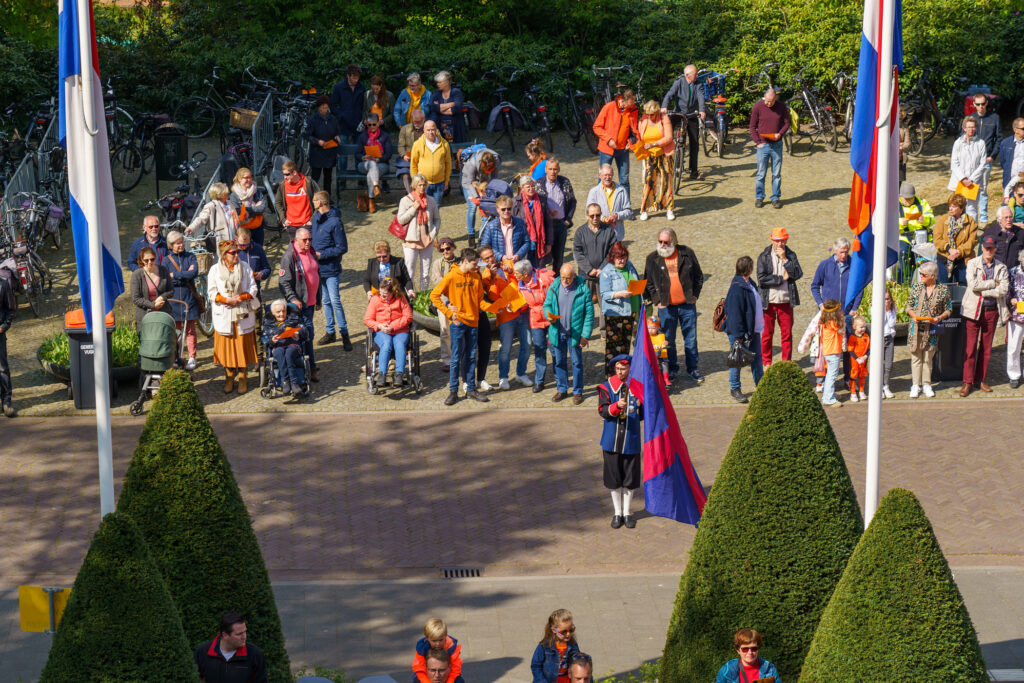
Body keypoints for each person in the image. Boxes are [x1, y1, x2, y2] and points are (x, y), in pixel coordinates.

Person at [431, 247, 493, 404]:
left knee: (472, 356)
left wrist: (495, 307)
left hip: (473, 322)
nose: (477, 266)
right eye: (474, 263)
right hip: (458, 323)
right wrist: (448, 312)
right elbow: (434, 295)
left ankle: (471, 389)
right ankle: (453, 391)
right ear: (465, 261)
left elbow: (480, 301)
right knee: (456, 357)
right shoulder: (451, 276)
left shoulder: (476, 277)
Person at [643, 228, 704, 384]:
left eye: (666, 242)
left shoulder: (687, 253)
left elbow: (698, 276)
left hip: (687, 305)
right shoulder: (652, 259)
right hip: (666, 307)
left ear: (674, 242)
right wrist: (657, 301)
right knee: (668, 339)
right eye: (660, 241)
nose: (662, 245)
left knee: (690, 338)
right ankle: (671, 369)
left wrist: (695, 294)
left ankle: (692, 368)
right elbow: (648, 283)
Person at [597, 354, 643, 528]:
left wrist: (640, 404)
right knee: (614, 478)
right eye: (617, 369)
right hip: (611, 440)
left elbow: (644, 414)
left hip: (631, 439)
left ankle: (627, 512)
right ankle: (617, 513)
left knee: (630, 479)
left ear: (630, 368)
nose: (620, 372)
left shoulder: (638, 387)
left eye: (623, 369)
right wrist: (616, 407)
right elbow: (602, 410)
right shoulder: (606, 387)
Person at [960, 234, 1009, 396]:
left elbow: (1003, 289)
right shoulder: (972, 263)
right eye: (986, 247)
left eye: (991, 248)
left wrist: (984, 290)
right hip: (973, 311)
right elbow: (972, 285)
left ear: (995, 249)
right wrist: (991, 284)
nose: (989, 250)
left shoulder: (1001, 267)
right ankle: (967, 381)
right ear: (981, 248)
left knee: (986, 348)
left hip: (991, 311)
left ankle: (980, 379)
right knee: (971, 347)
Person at [209, 240, 259, 393]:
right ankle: (229, 377)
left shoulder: (245, 267)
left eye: (238, 252)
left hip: (242, 314)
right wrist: (226, 300)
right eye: (233, 253)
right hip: (224, 315)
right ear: (224, 255)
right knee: (227, 350)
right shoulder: (215, 270)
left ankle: (243, 377)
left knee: (242, 348)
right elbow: (211, 292)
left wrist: (240, 298)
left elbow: (253, 287)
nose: (237, 255)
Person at [810, 237, 862, 382]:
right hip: (828, 315)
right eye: (841, 252)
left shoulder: (854, 265)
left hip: (847, 313)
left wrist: (854, 308)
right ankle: (824, 379)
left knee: (847, 348)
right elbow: (815, 286)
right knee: (827, 347)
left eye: (846, 252)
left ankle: (848, 378)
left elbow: (860, 288)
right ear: (835, 250)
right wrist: (821, 304)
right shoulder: (825, 265)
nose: (844, 255)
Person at [543, 263, 594, 404]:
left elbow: (589, 314)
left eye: (568, 278)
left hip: (575, 333)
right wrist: (548, 316)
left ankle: (577, 391)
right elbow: (546, 304)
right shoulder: (554, 286)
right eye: (563, 277)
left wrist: (585, 335)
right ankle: (562, 389)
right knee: (559, 362)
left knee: (577, 363)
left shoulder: (583, 289)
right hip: (557, 331)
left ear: (574, 276)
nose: (565, 281)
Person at [480, 246, 529, 390]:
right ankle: (503, 377)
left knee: (526, 345)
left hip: (521, 309)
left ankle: (521, 373)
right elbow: (492, 297)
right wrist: (494, 279)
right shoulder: (486, 277)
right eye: (486, 258)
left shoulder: (509, 264)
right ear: (482, 262)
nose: (491, 259)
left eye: (491, 256)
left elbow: (522, 281)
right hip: (506, 315)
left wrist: (511, 272)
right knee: (506, 348)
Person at [279, 228, 322, 383]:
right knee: (307, 334)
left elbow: (316, 275)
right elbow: (283, 282)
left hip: (310, 303)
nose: (308, 242)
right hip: (299, 305)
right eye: (305, 240)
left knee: (307, 335)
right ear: (296, 240)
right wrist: (293, 298)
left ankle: (307, 365)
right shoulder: (289, 256)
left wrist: (318, 298)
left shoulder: (310, 251)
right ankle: (310, 368)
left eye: (310, 239)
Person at [755, 227, 802, 367]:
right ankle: (766, 362)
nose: (780, 244)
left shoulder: (791, 255)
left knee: (787, 334)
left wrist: (785, 259)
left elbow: (797, 274)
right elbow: (761, 279)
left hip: (786, 301)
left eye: (782, 241)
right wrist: (781, 279)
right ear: (772, 240)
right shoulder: (764, 256)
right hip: (768, 302)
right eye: (777, 241)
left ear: (786, 240)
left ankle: (786, 362)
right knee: (767, 335)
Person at [311, 191, 351, 350]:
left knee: (335, 301)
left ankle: (344, 333)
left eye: (314, 200)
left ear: (320, 202)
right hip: (318, 268)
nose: (312, 202)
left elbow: (342, 247)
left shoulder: (335, 222)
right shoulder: (316, 218)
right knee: (325, 301)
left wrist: (322, 255)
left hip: (331, 268)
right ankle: (330, 331)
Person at [905, 261, 951, 399]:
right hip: (916, 328)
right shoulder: (917, 287)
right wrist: (913, 316)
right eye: (920, 274)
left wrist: (940, 317)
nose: (921, 276)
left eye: (923, 274)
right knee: (916, 357)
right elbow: (908, 306)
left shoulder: (943, 290)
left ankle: (926, 384)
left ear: (932, 275)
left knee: (927, 358)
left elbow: (948, 309)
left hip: (931, 329)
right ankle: (915, 385)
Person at [723, 256, 764, 403]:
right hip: (741, 333)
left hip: (753, 330)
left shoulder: (748, 283)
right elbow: (734, 314)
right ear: (750, 269)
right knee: (737, 360)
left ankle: (762, 386)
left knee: (757, 359)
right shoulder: (737, 288)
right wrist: (739, 336)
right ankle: (735, 388)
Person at [599, 242, 640, 372]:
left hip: (631, 311)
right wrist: (619, 294)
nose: (622, 260)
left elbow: (636, 281)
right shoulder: (607, 272)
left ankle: (624, 373)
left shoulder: (630, 266)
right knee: (613, 347)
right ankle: (612, 375)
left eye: (623, 257)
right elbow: (604, 294)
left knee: (625, 345)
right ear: (612, 257)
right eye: (618, 257)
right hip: (615, 313)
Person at [515, 259, 555, 392]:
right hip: (535, 320)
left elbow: (556, 296)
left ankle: (559, 376)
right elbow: (524, 304)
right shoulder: (520, 285)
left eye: (517, 273)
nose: (515, 275)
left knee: (555, 348)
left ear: (525, 274)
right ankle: (540, 381)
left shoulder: (545, 278)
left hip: (551, 317)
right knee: (539, 350)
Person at [364, 277, 413, 387]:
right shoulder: (375, 299)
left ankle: (399, 373)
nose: (382, 296)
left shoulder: (401, 298)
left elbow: (408, 317)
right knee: (386, 344)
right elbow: (367, 319)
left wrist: (393, 326)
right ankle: (382, 373)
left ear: (393, 292)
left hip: (400, 330)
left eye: (385, 294)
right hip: (381, 331)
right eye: (381, 293)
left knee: (399, 344)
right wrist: (380, 325)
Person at [195, 611, 268, 683]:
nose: (244, 637)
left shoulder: (255, 654)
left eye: (245, 631)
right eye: (239, 634)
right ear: (225, 635)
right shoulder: (202, 652)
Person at [661, 64, 706, 181]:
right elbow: (669, 94)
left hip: (691, 115)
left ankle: (694, 171)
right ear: (687, 75)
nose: (697, 76)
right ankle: (667, 163)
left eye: (697, 74)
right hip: (679, 114)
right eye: (695, 74)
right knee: (667, 135)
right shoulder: (679, 82)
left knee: (694, 143)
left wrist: (701, 110)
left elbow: (701, 97)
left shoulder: (699, 84)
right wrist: (664, 106)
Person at [592, 89, 638, 201]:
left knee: (624, 180)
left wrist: (631, 142)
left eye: (632, 104)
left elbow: (635, 130)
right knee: (603, 178)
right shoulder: (609, 107)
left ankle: (626, 207)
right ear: (622, 100)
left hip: (623, 149)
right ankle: (600, 205)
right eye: (629, 104)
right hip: (606, 149)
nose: (631, 106)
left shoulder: (633, 109)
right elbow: (596, 127)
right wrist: (608, 139)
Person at [163, 230, 200, 370]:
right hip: (173, 300)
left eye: (182, 242)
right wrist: (184, 275)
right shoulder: (166, 260)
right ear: (171, 245)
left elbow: (193, 273)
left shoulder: (190, 256)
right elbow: (166, 278)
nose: (182, 245)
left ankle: (192, 357)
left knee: (190, 330)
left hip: (189, 297)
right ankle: (177, 357)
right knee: (176, 331)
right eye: (178, 243)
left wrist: (176, 275)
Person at [573, 203, 617, 317]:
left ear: (601, 214)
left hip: (604, 275)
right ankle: (584, 332)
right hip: (585, 276)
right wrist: (589, 269)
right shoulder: (580, 232)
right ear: (587, 215)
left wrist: (602, 269)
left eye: (597, 215)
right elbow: (577, 253)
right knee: (583, 305)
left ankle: (605, 332)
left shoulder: (609, 231)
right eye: (592, 215)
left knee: (605, 304)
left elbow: (612, 252)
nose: (595, 218)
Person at [399, 174, 441, 291]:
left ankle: (424, 295)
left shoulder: (431, 201)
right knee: (410, 272)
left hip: (427, 241)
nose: (422, 188)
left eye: (424, 185)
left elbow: (437, 219)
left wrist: (433, 233)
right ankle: (409, 296)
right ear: (414, 186)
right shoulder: (405, 200)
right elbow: (401, 219)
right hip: (411, 241)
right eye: (419, 185)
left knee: (425, 273)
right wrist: (413, 209)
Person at [749, 87, 790, 209]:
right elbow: (752, 126)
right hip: (763, 145)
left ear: (775, 99)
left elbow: (787, 123)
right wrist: (757, 142)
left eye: (771, 101)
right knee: (761, 174)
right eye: (767, 101)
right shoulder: (758, 106)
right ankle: (759, 197)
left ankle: (775, 198)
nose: (768, 103)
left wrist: (780, 133)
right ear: (764, 97)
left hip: (777, 145)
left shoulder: (781, 107)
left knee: (776, 173)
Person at [636, 100, 675, 221]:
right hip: (649, 156)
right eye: (647, 114)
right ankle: (645, 209)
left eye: (651, 115)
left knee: (666, 181)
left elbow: (669, 137)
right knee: (648, 181)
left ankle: (669, 209)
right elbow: (639, 136)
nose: (649, 117)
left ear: (657, 112)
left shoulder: (664, 119)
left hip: (664, 154)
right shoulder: (643, 120)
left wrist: (654, 144)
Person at [235, 227, 271, 355]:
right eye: (241, 245)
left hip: (254, 295)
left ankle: (259, 357)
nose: (243, 247)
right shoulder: (233, 252)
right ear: (235, 240)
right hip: (237, 296)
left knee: (257, 327)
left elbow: (267, 268)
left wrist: (262, 274)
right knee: (239, 328)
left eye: (246, 244)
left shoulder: (257, 249)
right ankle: (242, 356)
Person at [264, 299, 309, 397]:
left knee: (289, 354)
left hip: (293, 345)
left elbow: (305, 330)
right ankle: (285, 381)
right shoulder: (269, 323)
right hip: (278, 346)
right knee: (280, 353)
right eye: (278, 312)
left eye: (283, 311)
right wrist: (272, 340)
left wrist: (298, 333)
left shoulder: (294, 319)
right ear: (273, 313)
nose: (281, 314)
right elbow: (265, 338)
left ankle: (294, 382)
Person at [331, 64, 366, 186]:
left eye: (357, 78)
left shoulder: (361, 87)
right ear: (348, 76)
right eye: (354, 78)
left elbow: (364, 105)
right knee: (343, 155)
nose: (356, 80)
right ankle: (342, 181)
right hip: (343, 125)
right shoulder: (339, 87)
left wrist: (363, 119)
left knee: (360, 152)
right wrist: (341, 116)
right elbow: (333, 106)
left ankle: (361, 179)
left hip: (358, 125)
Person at [932, 193, 977, 285]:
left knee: (962, 286)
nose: (950, 208)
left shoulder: (970, 222)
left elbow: (971, 242)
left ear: (961, 208)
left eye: (954, 206)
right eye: (950, 206)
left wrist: (958, 252)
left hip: (963, 259)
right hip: (944, 258)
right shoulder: (943, 220)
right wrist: (949, 249)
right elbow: (937, 239)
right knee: (944, 287)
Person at [948, 115, 987, 221]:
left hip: (973, 183)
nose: (971, 129)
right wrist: (963, 178)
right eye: (969, 127)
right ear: (964, 128)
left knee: (972, 209)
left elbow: (983, 164)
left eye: (973, 127)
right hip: (959, 182)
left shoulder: (981, 143)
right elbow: (954, 163)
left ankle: (972, 233)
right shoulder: (958, 143)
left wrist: (971, 179)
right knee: (957, 208)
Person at [460, 147, 501, 246]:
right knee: (472, 206)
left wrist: (492, 193)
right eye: (487, 168)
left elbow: (494, 179)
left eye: (491, 168)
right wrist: (476, 197)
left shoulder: (496, 160)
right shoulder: (471, 164)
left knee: (486, 208)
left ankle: (483, 237)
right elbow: (469, 182)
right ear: (482, 164)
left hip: (483, 182)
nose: (489, 170)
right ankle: (471, 235)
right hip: (469, 183)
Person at [430, 237, 459, 371]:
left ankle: (460, 356)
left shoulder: (460, 262)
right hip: (442, 302)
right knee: (444, 331)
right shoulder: (437, 263)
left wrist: (445, 280)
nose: (445, 251)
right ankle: (447, 360)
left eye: (447, 248)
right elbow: (436, 282)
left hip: (459, 302)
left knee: (460, 331)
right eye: (442, 249)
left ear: (453, 247)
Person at [542, 157, 576, 272]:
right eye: (550, 169)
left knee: (559, 257)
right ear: (546, 169)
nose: (553, 172)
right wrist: (547, 211)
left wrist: (568, 219)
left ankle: (557, 282)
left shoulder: (565, 182)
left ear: (559, 170)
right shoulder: (539, 184)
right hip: (546, 226)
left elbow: (572, 201)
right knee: (545, 257)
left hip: (561, 224)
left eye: (555, 169)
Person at [897, 182, 935, 280]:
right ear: (900, 196)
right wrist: (901, 222)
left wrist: (924, 220)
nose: (908, 202)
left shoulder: (922, 203)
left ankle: (926, 279)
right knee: (903, 252)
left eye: (911, 199)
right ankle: (907, 278)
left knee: (927, 256)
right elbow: (890, 224)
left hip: (922, 236)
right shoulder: (894, 205)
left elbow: (932, 219)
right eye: (906, 199)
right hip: (904, 237)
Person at [531, 609, 581, 683]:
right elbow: (536, 666)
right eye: (564, 631)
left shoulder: (572, 645)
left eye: (571, 630)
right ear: (554, 630)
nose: (568, 634)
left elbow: (580, 663)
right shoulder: (544, 646)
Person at [585, 164, 633, 242]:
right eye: (605, 175)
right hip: (599, 234)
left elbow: (629, 211)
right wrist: (603, 219)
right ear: (599, 175)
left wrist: (617, 216)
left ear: (613, 175)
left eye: (610, 175)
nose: (608, 178)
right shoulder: (594, 192)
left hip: (617, 234)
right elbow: (587, 213)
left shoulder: (621, 190)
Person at [305, 95, 342, 193]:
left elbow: (337, 131)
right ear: (318, 108)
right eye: (322, 108)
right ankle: (312, 196)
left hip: (329, 152)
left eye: (326, 107)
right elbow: (308, 135)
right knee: (315, 177)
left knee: (328, 177)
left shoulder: (332, 118)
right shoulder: (313, 119)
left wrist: (337, 136)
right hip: (317, 152)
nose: (325, 110)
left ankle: (327, 197)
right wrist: (318, 141)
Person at [409, 120, 451, 208]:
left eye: (433, 129)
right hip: (423, 184)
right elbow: (413, 164)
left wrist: (446, 181)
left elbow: (448, 164)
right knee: (423, 208)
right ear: (424, 130)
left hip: (439, 183)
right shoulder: (417, 144)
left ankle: (433, 222)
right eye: (428, 130)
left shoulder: (444, 144)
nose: (431, 132)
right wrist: (415, 182)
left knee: (436, 208)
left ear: (436, 130)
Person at [513, 176, 553, 267]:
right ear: (522, 188)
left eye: (533, 186)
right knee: (525, 269)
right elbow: (512, 223)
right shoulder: (516, 202)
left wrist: (549, 243)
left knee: (539, 269)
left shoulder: (542, 200)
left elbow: (548, 223)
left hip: (539, 242)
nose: (531, 189)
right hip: (523, 243)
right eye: (528, 187)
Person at [129, 246, 172, 330]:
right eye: (146, 260)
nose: (150, 262)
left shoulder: (163, 270)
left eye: (152, 259)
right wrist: (153, 305)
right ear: (141, 260)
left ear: (155, 258)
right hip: (145, 317)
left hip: (163, 314)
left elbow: (171, 290)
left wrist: (162, 297)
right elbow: (136, 298)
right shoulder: (137, 275)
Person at [714, 628, 780, 683]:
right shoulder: (727, 670)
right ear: (738, 650)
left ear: (758, 649)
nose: (750, 652)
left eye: (754, 648)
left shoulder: (770, 669)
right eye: (745, 649)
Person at [973, 94, 1000, 224]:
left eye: (983, 104)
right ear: (974, 104)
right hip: (972, 161)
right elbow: (962, 137)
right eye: (978, 104)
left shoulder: (994, 118)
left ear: (987, 103)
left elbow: (998, 138)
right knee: (971, 189)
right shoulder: (970, 118)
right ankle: (972, 217)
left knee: (983, 189)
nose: (981, 107)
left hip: (986, 160)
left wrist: (992, 156)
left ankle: (983, 218)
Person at [274, 161, 319, 239]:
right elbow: (278, 202)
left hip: (307, 224)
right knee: (295, 249)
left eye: (287, 174)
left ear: (294, 172)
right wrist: (283, 219)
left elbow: (320, 200)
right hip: (291, 225)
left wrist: (312, 219)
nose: (285, 177)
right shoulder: (283, 185)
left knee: (308, 248)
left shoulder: (308, 182)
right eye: (283, 174)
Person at [412, 618, 463, 683]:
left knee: (459, 680)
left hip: (448, 675)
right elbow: (419, 669)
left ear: (445, 636)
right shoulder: (422, 649)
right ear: (427, 638)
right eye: (434, 641)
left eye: (441, 640)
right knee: (416, 679)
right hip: (425, 676)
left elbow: (455, 669)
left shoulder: (452, 647)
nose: (438, 644)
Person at [355, 112, 393, 202]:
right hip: (364, 164)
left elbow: (388, 154)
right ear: (366, 124)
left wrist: (378, 159)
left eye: (374, 124)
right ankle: (376, 186)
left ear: (378, 123)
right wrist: (363, 157)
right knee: (371, 164)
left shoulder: (385, 136)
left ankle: (371, 200)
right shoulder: (362, 136)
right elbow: (357, 154)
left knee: (370, 173)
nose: (372, 126)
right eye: (369, 125)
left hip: (381, 164)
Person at [481, 194, 529, 262]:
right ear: (497, 210)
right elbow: (485, 246)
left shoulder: (520, 223)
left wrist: (518, 255)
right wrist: (500, 257)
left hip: (517, 263)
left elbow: (526, 242)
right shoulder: (490, 226)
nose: (506, 211)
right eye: (503, 209)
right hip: (499, 264)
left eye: (509, 209)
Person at [229, 167, 267, 246]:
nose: (249, 180)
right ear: (239, 179)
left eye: (250, 177)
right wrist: (255, 207)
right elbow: (239, 213)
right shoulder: (234, 195)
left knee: (258, 249)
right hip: (243, 229)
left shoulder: (256, 191)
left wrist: (246, 210)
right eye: (246, 178)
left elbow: (262, 208)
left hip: (258, 227)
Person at [818, 298, 845, 406]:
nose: (840, 311)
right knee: (831, 376)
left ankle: (829, 395)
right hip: (833, 352)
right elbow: (842, 330)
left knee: (830, 375)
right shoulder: (834, 323)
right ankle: (828, 399)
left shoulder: (825, 321)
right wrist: (843, 319)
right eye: (838, 310)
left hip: (828, 352)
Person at [429, 70, 467, 143]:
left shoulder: (456, 92)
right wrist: (451, 104)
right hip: (440, 126)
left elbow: (457, 108)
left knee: (457, 148)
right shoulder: (436, 93)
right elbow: (433, 107)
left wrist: (440, 108)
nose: (437, 84)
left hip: (456, 126)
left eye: (440, 82)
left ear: (447, 82)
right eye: (437, 82)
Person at [398, 108, 427, 194]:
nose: (416, 124)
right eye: (415, 121)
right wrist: (403, 155)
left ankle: (424, 194)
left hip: (425, 159)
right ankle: (412, 196)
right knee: (406, 175)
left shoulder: (430, 128)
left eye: (419, 121)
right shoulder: (405, 129)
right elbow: (400, 146)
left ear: (424, 119)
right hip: (409, 158)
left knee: (427, 171)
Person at [1007, 249, 1024, 388]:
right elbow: (1006, 291)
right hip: (1016, 315)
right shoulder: (1013, 271)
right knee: (1014, 347)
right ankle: (1014, 375)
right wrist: (1010, 299)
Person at [0, 261, 15, 417]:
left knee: (2, 368)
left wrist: (3, 327)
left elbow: (11, 309)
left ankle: (6, 401)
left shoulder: (3, 285)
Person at [998, 118, 1024, 196]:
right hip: (1010, 181)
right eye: (1023, 128)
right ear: (1015, 130)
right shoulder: (1005, 143)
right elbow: (1003, 162)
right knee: (1009, 205)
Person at [847, 314, 870, 401]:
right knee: (853, 376)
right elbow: (850, 350)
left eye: (864, 327)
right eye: (861, 327)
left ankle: (861, 390)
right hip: (855, 361)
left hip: (863, 361)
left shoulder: (866, 337)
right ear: (854, 327)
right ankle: (852, 392)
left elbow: (869, 349)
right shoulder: (852, 337)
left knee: (862, 376)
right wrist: (857, 359)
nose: (863, 329)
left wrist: (865, 357)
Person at [881, 287, 897, 399]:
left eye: (888, 299)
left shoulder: (893, 308)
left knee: (888, 364)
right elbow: (880, 323)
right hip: (880, 337)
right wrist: (883, 311)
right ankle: (879, 386)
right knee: (879, 364)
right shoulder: (875, 308)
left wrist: (888, 311)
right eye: (884, 299)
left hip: (889, 337)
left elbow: (892, 324)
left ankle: (886, 385)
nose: (887, 301)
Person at [648, 316, 670, 385]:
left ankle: (666, 378)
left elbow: (667, 341)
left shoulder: (661, 335)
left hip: (661, 354)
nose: (650, 330)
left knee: (665, 364)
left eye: (653, 328)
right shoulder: (646, 336)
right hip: (651, 356)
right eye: (649, 328)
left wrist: (666, 343)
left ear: (658, 328)